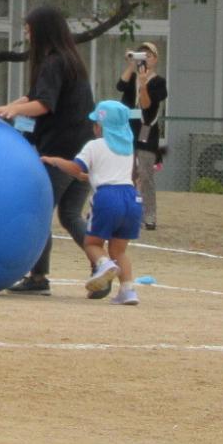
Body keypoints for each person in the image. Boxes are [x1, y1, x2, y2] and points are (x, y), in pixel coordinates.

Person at [0, 5, 95, 294]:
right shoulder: (71, 61)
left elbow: (43, 105)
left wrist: (12, 111)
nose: (26, 32)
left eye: (29, 28)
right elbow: (35, 96)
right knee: (71, 214)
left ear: (42, 30)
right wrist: (11, 106)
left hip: (58, 153)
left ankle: (38, 277)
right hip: (84, 152)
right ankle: (104, 264)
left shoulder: (52, 62)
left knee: (38, 212)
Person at [42, 99, 144, 305]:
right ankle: (128, 290)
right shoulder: (127, 147)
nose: (93, 127)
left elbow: (75, 167)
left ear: (101, 126)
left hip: (107, 198)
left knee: (92, 243)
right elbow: (115, 174)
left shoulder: (94, 145)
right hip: (131, 198)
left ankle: (104, 264)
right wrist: (89, 176)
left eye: (96, 123)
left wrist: (53, 160)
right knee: (119, 250)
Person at [116, 41, 166, 231]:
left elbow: (146, 105)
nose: (145, 58)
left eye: (149, 55)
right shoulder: (132, 77)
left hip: (146, 130)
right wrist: (131, 64)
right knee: (125, 174)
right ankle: (126, 212)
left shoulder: (159, 82)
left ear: (156, 59)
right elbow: (120, 86)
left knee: (145, 175)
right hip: (127, 130)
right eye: (141, 54)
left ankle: (149, 215)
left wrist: (143, 83)